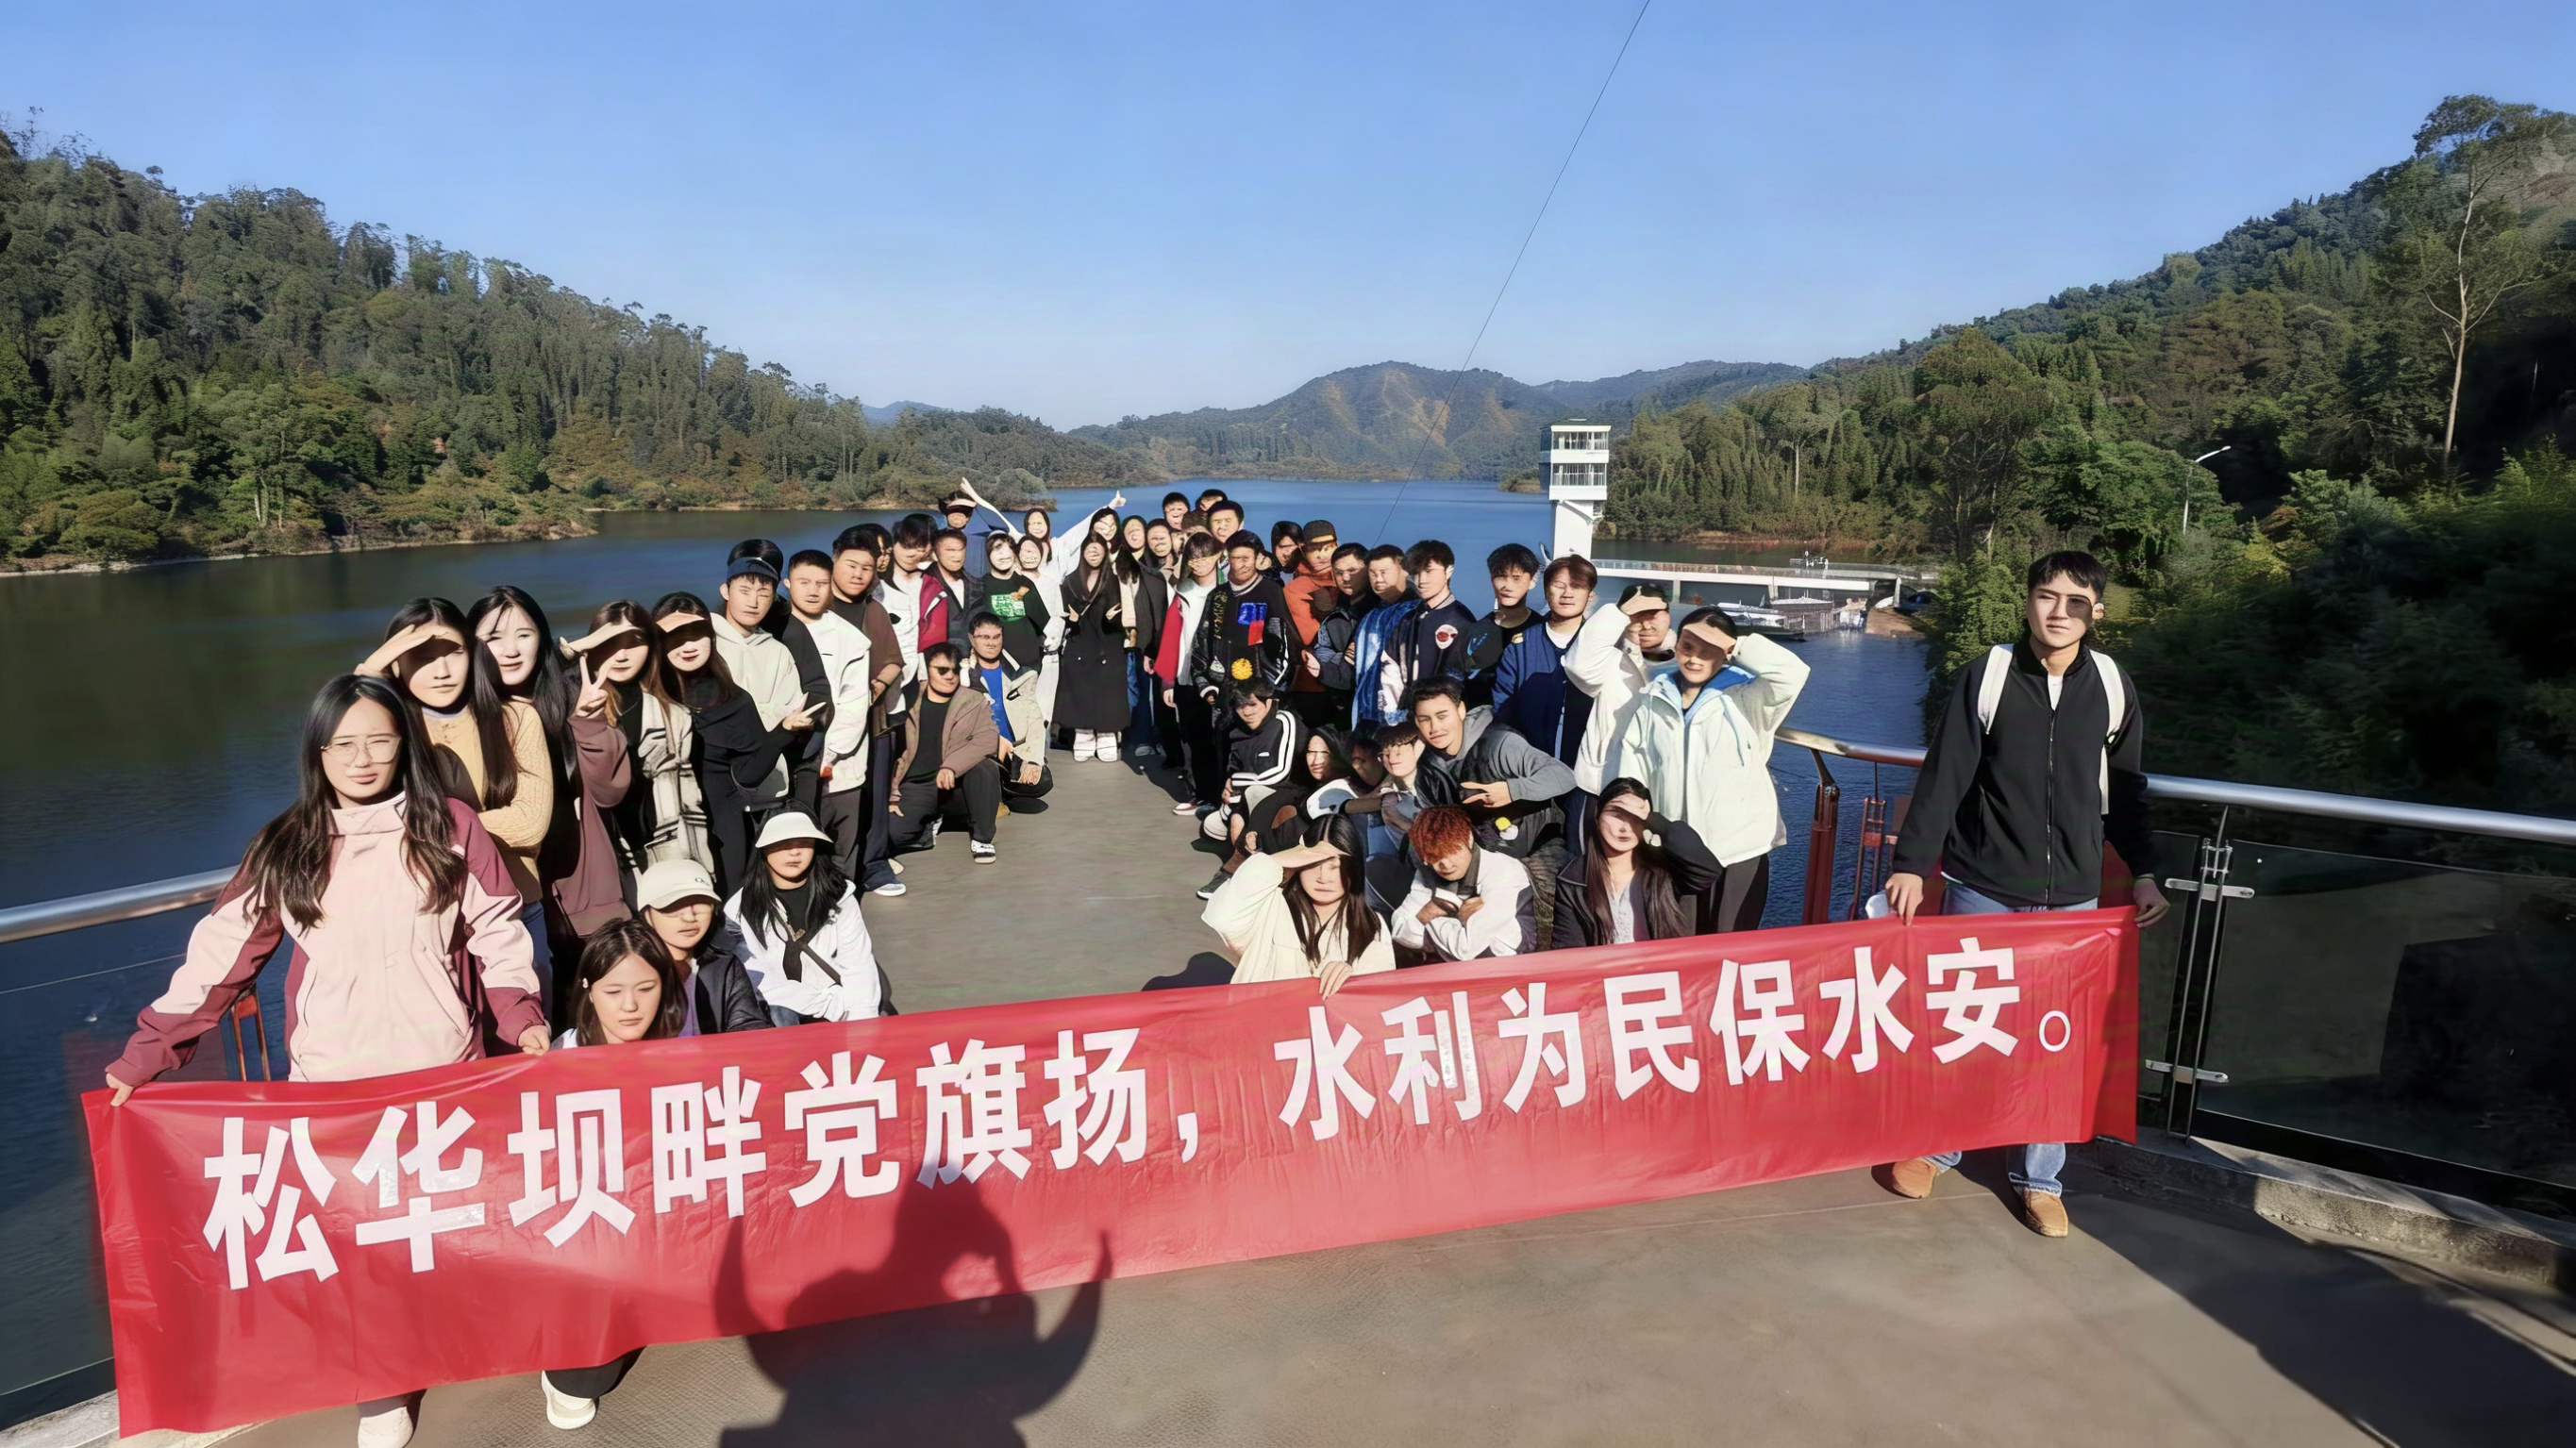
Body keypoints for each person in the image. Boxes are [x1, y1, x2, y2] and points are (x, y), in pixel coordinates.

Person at [104, 674, 545, 1448]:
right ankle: (381, 1383)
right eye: (344, 744)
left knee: (452, 1222)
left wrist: (522, 1017)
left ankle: (471, 1340)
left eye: (379, 739)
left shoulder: (449, 825)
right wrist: (147, 1054)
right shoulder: (288, 843)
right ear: (317, 751)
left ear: (404, 745)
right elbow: (220, 961)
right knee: (360, 1244)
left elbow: (499, 929)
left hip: (443, 1069)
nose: (362, 758)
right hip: (335, 1088)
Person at [1878, 550, 2169, 1240]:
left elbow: (2126, 792)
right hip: (1982, 884)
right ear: (2028, 601)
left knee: (2052, 1042)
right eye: (2047, 595)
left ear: (2097, 611)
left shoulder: (2112, 686)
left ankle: (2040, 1178)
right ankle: (1936, 1147)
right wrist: (1913, 863)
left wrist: (2145, 869)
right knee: (1962, 1027)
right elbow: (1946, 775)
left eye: (2076, 600)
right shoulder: (1990, 674)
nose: (2059, 611)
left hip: (2072, 897)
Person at [361, 598, 556, 993]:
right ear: (395, 663)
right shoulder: (389, 730)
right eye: (422, 657)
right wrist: (368, 674)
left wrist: (427, 829)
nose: (443, 671)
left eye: (454, 653)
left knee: (527, 1024)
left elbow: (530, 824)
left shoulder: (516, 719)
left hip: (515, 910)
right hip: (425, 922)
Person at [537, 916, 684, 1429]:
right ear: (587, 988)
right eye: (613, 991)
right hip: (588, 1227)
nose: (630, 1006)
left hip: (663, 1214)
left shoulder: (685, 1052)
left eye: (646, 988)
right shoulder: (557, 1061)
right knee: (584, 1380)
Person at [1616, 606, 1810, 933]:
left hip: (1739, 849)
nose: (1695, 658)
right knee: (1676, 942)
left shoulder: (1748, 697)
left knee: (1730, 946)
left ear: (1725, 652)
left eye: (1708, 650)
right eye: (1688, 647)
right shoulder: (1652, 699)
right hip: (1675, 850)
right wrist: (1642, 828)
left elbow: (1793, 673)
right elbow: (1633, 769)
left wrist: (1735, 643)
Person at [651, 592, 815, 894]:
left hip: (724, 829)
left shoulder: (733, 698)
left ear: (711, 636)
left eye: (696, 634)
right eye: (675, 637)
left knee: (730, 910)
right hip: (664, 829)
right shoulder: (647, 699)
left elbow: (748, 774)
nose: (688, 645)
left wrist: (784, 731)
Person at [723, 809, 884, 1024]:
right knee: (780, 1012)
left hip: (843, 1015)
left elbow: (858, 966)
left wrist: (863, 1023)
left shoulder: (840, 896)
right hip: (780, 1017)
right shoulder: (739, 909)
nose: (794, 852)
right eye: (782, 843)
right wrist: (825, 1004)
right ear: (764, 848)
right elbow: (752, 979)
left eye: (804, 842)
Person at [1201, 817, 1396, 991]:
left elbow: (1380, 997)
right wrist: (1276, 860)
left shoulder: (1371, 924)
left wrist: (1353, 978)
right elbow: (1222, 918)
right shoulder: (1269, 906)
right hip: (1261, 1017)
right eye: (1313, 864)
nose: (1323, 877)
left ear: (1355, 870)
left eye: (1336, 867)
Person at [579, 601, 696, 874]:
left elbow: (688, 796)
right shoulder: (573, 706)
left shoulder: (674, 715)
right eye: (610, 642)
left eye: (634, 642)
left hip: (665, 845)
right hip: (601, 850)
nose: (621, 655)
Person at [1402, 675, 1578, 856]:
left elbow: (1565, 776)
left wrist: (1512, 790)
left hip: (1538, 849)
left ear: (1461, 710)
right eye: (1425, 719)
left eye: (1442, 716)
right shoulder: (1425, 768)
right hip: (1477, 855)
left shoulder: (1500, 744)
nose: (1435, 727)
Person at [785, 549, 875, 895]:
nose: (812, 591)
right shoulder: (772, 629)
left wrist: (830, 754)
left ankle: (841, 910)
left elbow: (854, 705)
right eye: (804, 582)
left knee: (839, 848)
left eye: (821, 583)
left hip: (838, 764)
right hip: (786, 762)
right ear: (787, 584)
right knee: (794, 848)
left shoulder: (849, 639)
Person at [827, 526, 911, 897]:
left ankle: (874, 866)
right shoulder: (815, 606)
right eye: (851, 565)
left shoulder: (874, 610)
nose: (859, 574)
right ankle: (827, 869)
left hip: (872, 720)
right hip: (823, 724)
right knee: (831, 800)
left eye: (866, 567)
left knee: (874, 797)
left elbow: (894, 661)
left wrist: (877, 685)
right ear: (834, 561)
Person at [1549, 778, 1725, 948]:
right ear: (1597, 816)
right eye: (1617, 815)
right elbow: (1569, 950)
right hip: (1604, 968)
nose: (1625, 828)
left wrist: (1657, 821)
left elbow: (1708, 871)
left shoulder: (1661, 869)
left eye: (1636, 818)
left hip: (1658, 966)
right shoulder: (1574, 878)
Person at [1564, 580, 1676, 813]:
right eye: (1637, 615)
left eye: (1653, 614)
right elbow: (1578, 667)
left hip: (1661, 789)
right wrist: (1618, 613)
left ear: (1668, 614)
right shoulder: (1607, 658)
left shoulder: (1688, 662)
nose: (1645, 624)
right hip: (1602, 785)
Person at [890, 641, 1005, 862]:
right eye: (942, 670)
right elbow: (891, 751)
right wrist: (892, 793)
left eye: (955, 669)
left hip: (957, 787)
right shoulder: (908, 700)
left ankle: (982, 838)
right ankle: (927, 825)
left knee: (985, 767)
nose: (950, 676)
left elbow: (987, 739)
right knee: (893, 834)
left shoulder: (972, 700)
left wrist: (951, 766)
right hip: (916, 787)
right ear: (927, 669)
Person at [709, 554, 808, 811]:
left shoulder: (778, 652)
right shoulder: (703, 641)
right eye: (744, 591)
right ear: (725, 591)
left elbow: (790, 712)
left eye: (763, 594)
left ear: (773, 598)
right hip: (713, 783)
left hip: (768, 786)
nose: (753, 602)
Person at [634, 857, 774, 1036]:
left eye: (701, 902)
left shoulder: (723, 966)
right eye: (674, 905)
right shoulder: (627, 968)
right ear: (647, 914)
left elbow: (747, 1021)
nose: (689, 917)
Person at [1196, 680, 1306, 899]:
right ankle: (1250, 860)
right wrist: (1230, 793)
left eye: (1253, 704)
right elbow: (1235, 771)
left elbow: (1280, 773)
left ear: (1269, 701)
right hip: (1251, 797)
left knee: (1255, 795)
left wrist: (1236, 783)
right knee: (1212, 825)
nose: (1247, 712)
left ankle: (1236, 868)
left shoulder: (1285, 721)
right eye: (1240, 706)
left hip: (1291, 795)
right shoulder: (1235, 732)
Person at [1492, 554, 1598, 773]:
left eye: (1577, 586)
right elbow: (1502, 711)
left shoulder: (1600, 646)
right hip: (1528, 769)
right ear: (1546, 591)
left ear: (1590, 595)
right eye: (1559, 586)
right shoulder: (1520, 647)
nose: (1567, 594)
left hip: (1585, 772)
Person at [1391, 804, 1534, 960]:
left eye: (1453, 851)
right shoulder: (1427, 872)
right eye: (1434, 857)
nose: (1446, 864)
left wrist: (1428, 919)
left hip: (1516, 962)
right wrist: (1431, 914)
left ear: (1469, 839)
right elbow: (1400, 933)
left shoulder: (1502, 871)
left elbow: (1466, 949)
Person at [1160, 532, 1229, 814]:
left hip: (1222, 677)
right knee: (1194, 738)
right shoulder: (1182, 592)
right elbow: (1171, 637)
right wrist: (1168, 680)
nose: (1199, 563)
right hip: (1187, 676)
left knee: (1222, 739)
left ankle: (1225, 799)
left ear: (1217, 556)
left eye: (1205, 557)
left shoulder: (1228, 590)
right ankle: (1202, 795)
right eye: (1193, 558)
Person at [1189, 530, 1294, 709]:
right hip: (1222, 692)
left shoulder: (1270, 591)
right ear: (1228, 559)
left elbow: (1283, 645)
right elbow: (1202, 641)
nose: (1243, 564)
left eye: (1247, 558)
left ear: (1257, 558)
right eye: (1237, 558)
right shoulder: (1218, 595)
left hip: (1260, 695)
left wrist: (1272, 690)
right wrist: (1205, 685)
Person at [1374, 540, 1478, 719]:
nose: (1421, 580)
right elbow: (1390, 667)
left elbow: (1465, 679)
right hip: (1406, 716)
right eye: (1416, 573)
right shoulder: (1407, 620)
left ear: (1449, 571)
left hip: (1445, 719)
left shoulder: (1462, 620)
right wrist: (1392, 715)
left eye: (1429, 571)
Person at [1055, 534, 1129, 761]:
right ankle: (1083, 732)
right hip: (1080, 640)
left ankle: (1107, 733)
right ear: (1082, 553)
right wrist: (1071, 619)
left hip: (1109, 642)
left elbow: (1129, 614)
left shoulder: (1116, 580)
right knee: (1080, 688)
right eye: (1090, 549)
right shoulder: (1070, 581)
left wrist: (1114, 619)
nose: (1094, 553)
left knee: (1108, 690)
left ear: (1105, 552)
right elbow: (1061, 613)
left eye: (1098, 549)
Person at [966, 612, 1055, 803]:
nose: (991, 643)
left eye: (996, 637)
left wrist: (1034, 760)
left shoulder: (1023, 674)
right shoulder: (962, 675)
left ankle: (1000, 791)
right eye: (984, 637)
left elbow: (1035, 719)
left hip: (1012, 751)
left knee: (1042, 780)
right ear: (972, 638)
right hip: (978, 749)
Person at [1347, 544, 1420, 730]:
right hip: (1366, 715)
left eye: (1384, 572)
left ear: (1404, 570)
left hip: (1402, 717)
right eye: (1373, 573)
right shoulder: (1369, 617)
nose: (1378, 579)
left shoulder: (1416, 613)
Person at [1280, 518, 1344, 725]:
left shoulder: (1349, 575)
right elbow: (1309, 636)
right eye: (1315, 549)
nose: (1322, 555)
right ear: (1302, 549)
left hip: (1352, 678)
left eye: (1329, 547)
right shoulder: (1296, 587)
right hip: (1314, 681)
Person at [971, 531, 1052, 669]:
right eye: (997, 549)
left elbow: (1042, 622)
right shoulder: (980, 586)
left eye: (1009, 549)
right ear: (988, 554)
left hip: (1030, 662)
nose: (1004, 554)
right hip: (995, 665)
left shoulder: (1025, 583)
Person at [1019, 533, 1066, 736]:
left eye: (1034, 551)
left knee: (1044, 703)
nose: (1029, 556)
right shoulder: (1012, 581)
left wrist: (1053, 637)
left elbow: (1059, 615)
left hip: (1047, 653)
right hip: (1020, 653)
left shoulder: (1051, 583)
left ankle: (1041, 747)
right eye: (1025, 551)